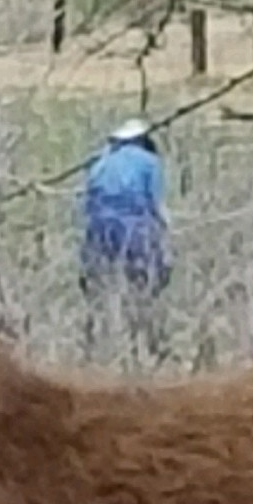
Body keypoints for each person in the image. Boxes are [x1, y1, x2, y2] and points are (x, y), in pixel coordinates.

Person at [79, 117, 169, 361]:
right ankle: (148, 342)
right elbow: (156, 203)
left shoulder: (98, 163)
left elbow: (86, 204)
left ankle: (92, 343)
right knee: (147, 282)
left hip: (98, 229)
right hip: (134, 228)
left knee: (96, 286)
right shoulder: (150, 163)